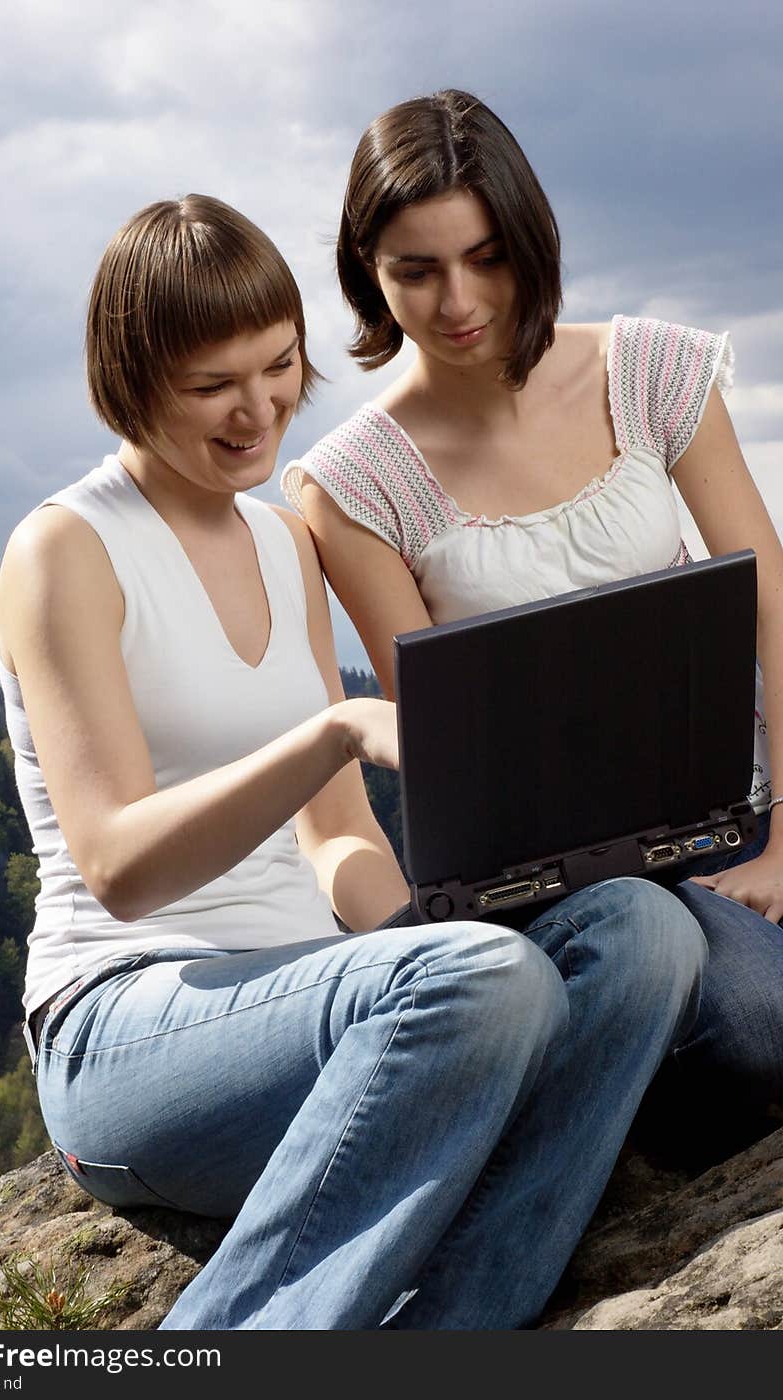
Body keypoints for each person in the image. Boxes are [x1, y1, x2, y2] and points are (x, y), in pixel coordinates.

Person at [0, 192, 705, 1331]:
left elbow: (338, 838)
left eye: (277, 365)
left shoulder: (283, 538)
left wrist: (444, 956)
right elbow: (119, 863)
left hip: (320, 1004)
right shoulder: (66, 547)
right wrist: (329, 734)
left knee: (639, 929)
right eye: (210, 384)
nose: (258, 409)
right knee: (483, 976)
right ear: (128, 380)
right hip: (125, 1022)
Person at [281, 88, 783, 1161]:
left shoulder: (649, 371)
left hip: (740, 809)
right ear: (365, 269)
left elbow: (771, 610)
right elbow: (449, 749)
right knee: (754, 1023)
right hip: (567, 881)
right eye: (415, 270)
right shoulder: (354, 482)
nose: (459, 300)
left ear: (530, 239)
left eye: (486, 256)